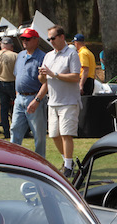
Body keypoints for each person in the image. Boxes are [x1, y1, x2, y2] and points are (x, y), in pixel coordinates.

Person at [40, 25, 81, 178]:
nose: (51, 41)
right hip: (53, 101)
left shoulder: (72, 54)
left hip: (68, 101)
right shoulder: (48, 55)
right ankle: (67, 161)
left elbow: (75, 77)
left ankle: (69, 167)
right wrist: (43, 75)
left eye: (53, 38)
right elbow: (43, 80)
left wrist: (54, 74)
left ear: (62, 37)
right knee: (54, 135)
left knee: (66, 134)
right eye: (49, 39)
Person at [0, 36, 17, 139]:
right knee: (17, 108)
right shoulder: (15, 55)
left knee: (3, 109)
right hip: (12, 82)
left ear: (2, 45)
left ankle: (6, 131)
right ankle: (18, 129)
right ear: (11, 46)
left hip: (0, 83)